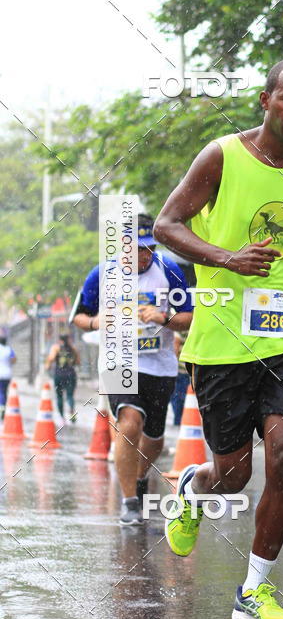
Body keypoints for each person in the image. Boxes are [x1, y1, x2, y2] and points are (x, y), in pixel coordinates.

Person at [153, 58, 283, 619]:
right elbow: (167, 224)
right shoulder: (221, 156)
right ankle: (194, 487)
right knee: (233, 474)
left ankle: (254, 589)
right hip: (222, 338)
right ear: (265, 100)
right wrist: (226, 258)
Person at [73, 214, 193, 525]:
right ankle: (129, 502)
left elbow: (190, 316)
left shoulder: (170, 270)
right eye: (138, 248)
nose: (144, 255)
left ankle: (138, 479)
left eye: (149, 247)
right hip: (118, 362)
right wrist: (97, 322)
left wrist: (163, 318)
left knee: (154, 439)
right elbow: (79, 317)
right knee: (129, 423)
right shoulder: (102, 273)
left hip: (160, 367)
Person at [45, 333, 80, 424]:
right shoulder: (73, 348)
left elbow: (51, 358)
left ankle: (62, 418)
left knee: (59, 396)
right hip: (71, 374)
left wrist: (48, 366)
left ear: (60, 340)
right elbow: (78, 361)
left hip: (59, 375)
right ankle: (72, 413)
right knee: (70, 396)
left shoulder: (56, 348)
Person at [170, 333, 190, 426]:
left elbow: (176, 346)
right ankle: (180, 422)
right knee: (181, 399)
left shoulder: (181, 328)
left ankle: (179, 422)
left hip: (180, 370)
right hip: (186, 370)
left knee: (178, 399)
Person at [0, 335, 16, 420]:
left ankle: (1, 408)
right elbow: (14, 360)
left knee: (1, 392)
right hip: (7, 374)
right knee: (4, 392)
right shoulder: (9, 349)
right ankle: (3, 407)